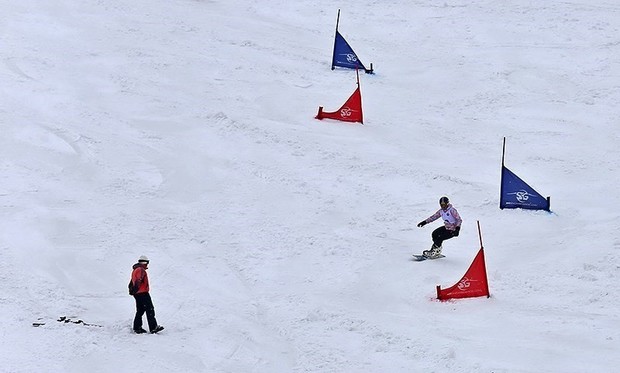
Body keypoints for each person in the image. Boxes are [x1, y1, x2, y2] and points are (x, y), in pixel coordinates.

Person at [129, 255, 164, 334]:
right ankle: (153, 327)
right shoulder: (140, 270)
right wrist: (136, 289)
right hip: (142, 293)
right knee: (150, 309)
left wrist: (133, 291)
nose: (147, 264)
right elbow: (138, 280)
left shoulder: (136, 269)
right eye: (146, 262)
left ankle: (137, 327)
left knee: (140, 310)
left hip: (138, 293)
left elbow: (132, 281)